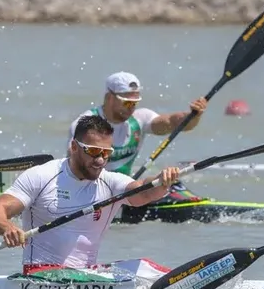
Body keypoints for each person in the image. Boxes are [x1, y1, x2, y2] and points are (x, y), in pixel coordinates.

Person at [0, 114, 180, 273]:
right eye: (94, 151)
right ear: (74, 147)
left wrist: (162, 182)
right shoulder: (42, 176)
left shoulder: (111, 182)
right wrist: (7, 228)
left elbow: (143, 193)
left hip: (86, 275)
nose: (101, 160)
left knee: (144, 267)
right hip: (41, 274)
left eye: (106, 153)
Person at [67, 72, 208, 205]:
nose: (131, 108)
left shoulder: (140, 119)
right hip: (93, 194)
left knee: (171, 184)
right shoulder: (85, 125)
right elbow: (73, 168)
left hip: (124, 189)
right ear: (109, 97)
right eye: (127, 102)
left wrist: (194, 115)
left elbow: (173, 122)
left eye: (135, 103)